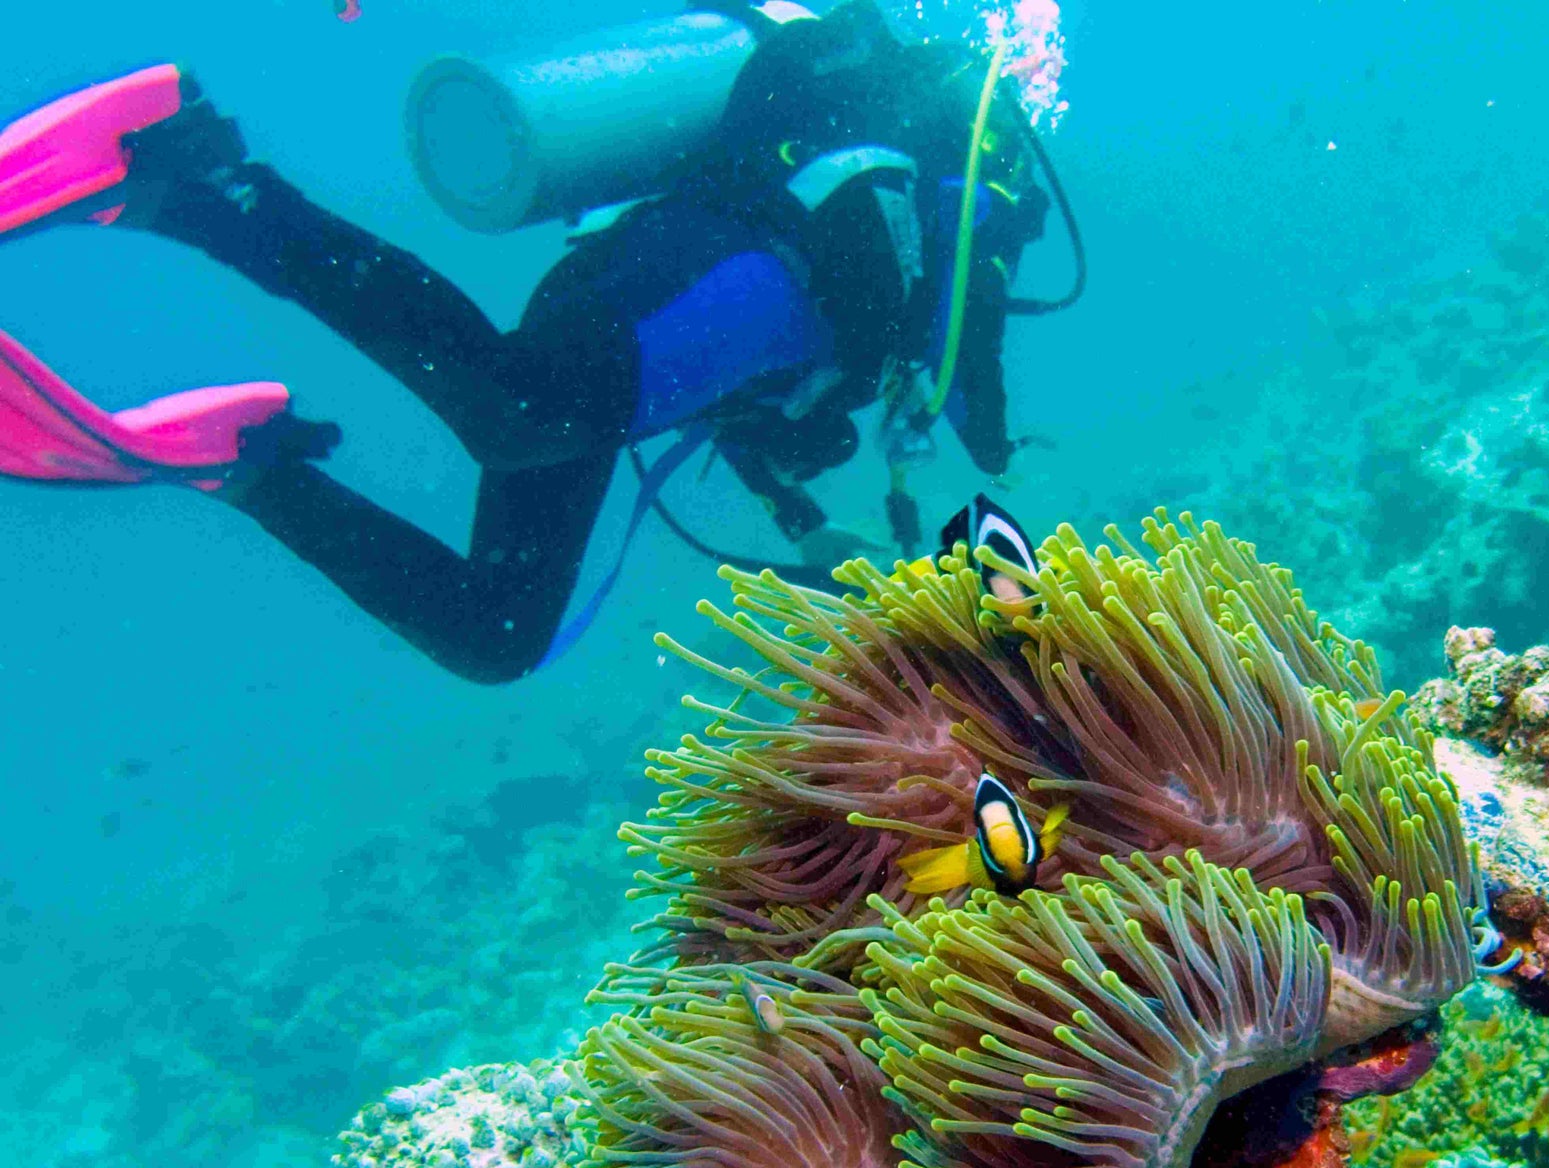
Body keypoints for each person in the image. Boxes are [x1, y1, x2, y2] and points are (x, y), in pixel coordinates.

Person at [0, 1, 1077, 682]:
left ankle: (254, 469)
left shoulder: (914, 188)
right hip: (707, 286)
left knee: (496, 635)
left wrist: (797, 502)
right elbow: (963, 366)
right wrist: (997, 457)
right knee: (517, 414)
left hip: (668, 311)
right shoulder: (972, 172)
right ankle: (196, 176)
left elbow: (777, 387)